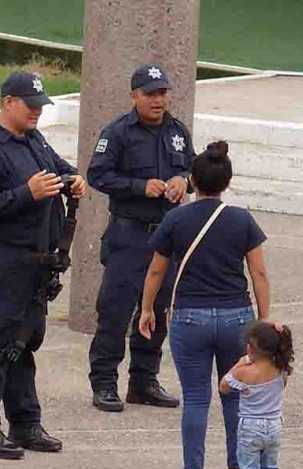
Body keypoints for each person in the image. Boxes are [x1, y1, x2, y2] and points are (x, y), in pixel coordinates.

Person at [0, 71, 87, 459]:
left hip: (39, 264)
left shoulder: (32, 139)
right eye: (30, 105)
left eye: (40, 105)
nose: (37, 111)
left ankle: (25, 423)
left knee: (22, 345)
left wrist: (72, 180)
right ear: (8, 103)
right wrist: (24, 194)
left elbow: (57, 166)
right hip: (10, 261)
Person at [138, 141, 271, 469]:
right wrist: (263, 319)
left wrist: (147, 308)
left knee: (196, 398)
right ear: (228, 182)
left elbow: (156, 271)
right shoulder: (242, 219)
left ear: (193, 182)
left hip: (189, 318)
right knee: (235, 397)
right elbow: (258, 272)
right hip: (236, 318)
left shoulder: (176, 218)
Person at [87, 63, 196, 412]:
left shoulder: (177, 131)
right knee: (115, 311)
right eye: (150, 94)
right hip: (128, 235)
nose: (158, 100)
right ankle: (104, 383)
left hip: (166, 238)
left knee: (158, 311)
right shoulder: (117, 132)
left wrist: (185, 181)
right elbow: (97, 175)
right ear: (134, 95)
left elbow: (192, 167)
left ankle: (143, 381)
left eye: (162, 93)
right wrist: (139, 187)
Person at [219, 321, 294, 469]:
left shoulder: (244, 372)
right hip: (274, 425)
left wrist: (238, 364)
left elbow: (223, 387)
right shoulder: (281, 370)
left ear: (251, 348)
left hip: (251, 427)